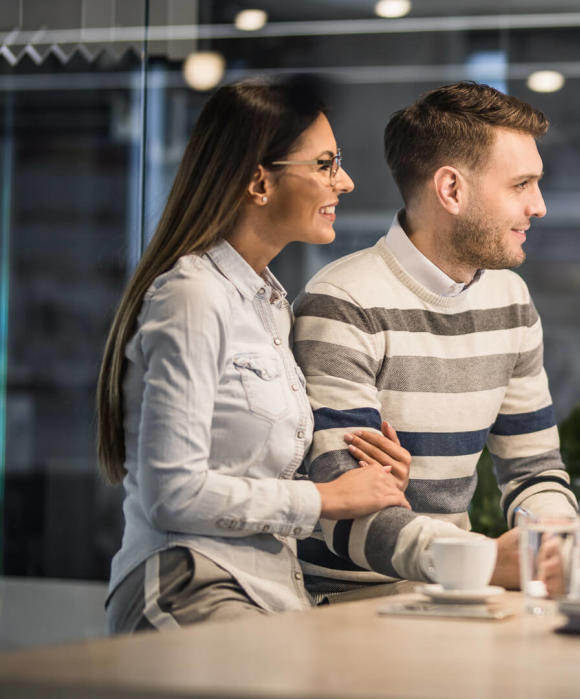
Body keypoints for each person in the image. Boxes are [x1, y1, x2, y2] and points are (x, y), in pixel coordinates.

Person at [96, 76, 413, 633]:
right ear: (258, 182)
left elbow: (250, 474)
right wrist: (324, 498)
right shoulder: (193, 296)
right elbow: (174, 495)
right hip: (188, 583)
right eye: (324, 164)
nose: (345, 181)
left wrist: (366, 481)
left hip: (265, 593)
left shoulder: (268, 303)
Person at [291, 81, 578, 595]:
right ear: (451, 190)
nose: (539, 206)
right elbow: (344, 508)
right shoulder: (342, 302)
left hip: (459, 595)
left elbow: (534, 469)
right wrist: (482, 561)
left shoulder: (510, 301)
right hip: (352, 607)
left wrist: (554, 542)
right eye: (521, 185)